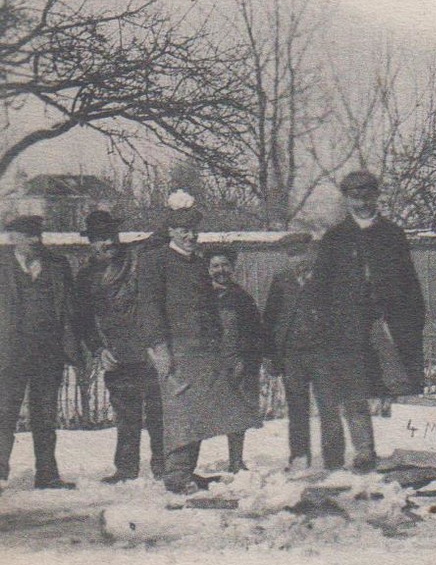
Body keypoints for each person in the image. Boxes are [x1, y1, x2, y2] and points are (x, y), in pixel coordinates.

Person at [137, 192, 261, 494]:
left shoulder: (198, 263)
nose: (190, 236)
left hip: (204, 349)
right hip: (176, 349)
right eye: (183, 231)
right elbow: (150, 307)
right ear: (171, 231)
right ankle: (176, 475)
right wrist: (159, 348)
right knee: (181, 411)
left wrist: (218, 344)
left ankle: (186, 472)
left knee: (200, 413)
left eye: (194, 230)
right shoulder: (156, 261)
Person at [312, 170, 426, 472]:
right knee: (353, 388)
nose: (361, 203)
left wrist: (412, 322)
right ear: (347, 200)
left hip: (388, 322)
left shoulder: (392, 235)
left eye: (367, 196)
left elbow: (409, 282)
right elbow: (321, 288)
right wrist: (328, 325)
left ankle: (410, 449)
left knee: (399, 382)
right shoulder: (335, 239)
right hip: (348, 326)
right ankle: (364, 450)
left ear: (376, 197)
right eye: (354, 197)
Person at [74, 210, 164, 483]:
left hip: (148, 348)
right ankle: (126, 469)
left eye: (110, 237)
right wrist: (99, 350)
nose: (107, 243)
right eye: (100, 239)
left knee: (159, 411)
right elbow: (83, 320)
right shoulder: (86, 277)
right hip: (116, 353)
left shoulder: (137, 261)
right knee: (126, 414)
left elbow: (159, 239)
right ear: (91, 242)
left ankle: (163, 466)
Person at [0, 215, 78, 492]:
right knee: (4, 414)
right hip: (8, 355)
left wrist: (71, 347)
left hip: (48, 353)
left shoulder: (58, 265)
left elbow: (70, 308)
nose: (34, 241)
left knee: (45, 416)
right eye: (27, 235)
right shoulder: (2, 265)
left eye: (37, 235)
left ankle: (47, 475)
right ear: (13, 238)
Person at [263, 233, 345, 472]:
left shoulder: (326, 280)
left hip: (323, 355)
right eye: (291, 255)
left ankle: (334, 460)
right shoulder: (281, 281)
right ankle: (299, 457)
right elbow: (270, 319)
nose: (297, 259)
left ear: (311, 253)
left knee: (329, 407)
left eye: (301, 253)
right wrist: (269, 355)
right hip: (292, 357)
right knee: (297, 409)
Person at [206, 247, 265, 473]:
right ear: (208, 269)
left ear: (232, 268)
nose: (221, 270)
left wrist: (246, 360)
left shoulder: (242, 298)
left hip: (235, 362)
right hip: (207, 364)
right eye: (215, 266)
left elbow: (255, 333)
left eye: (225, 265)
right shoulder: (200, 297)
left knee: (237, 413)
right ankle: (187, 466)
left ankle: (236, 461)